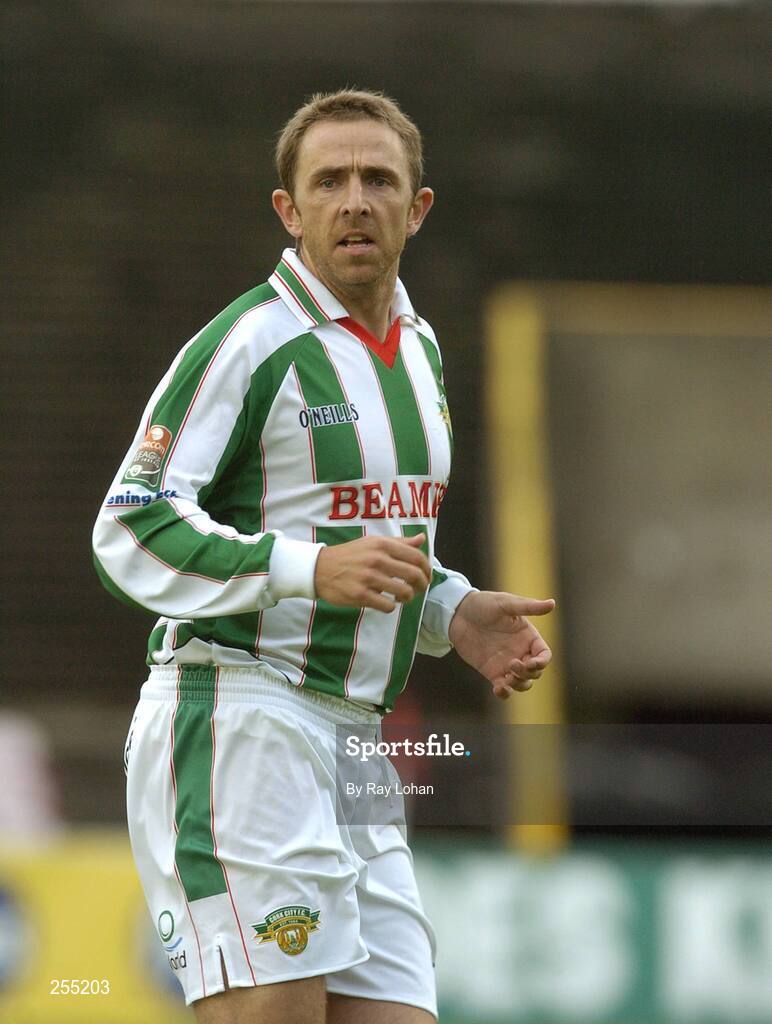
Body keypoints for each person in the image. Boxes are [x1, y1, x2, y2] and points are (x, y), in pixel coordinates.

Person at [92, 89, 554, 1024]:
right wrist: (305, 568)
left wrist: (450, 611)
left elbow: (382, 543)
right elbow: (129, 525)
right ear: (288, 210)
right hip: (240, 719)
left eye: (378, 179)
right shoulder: (247, 345)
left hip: (357, 746)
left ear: (417, 208)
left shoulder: (418, 354)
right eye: (329, 181)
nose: (355, 200)